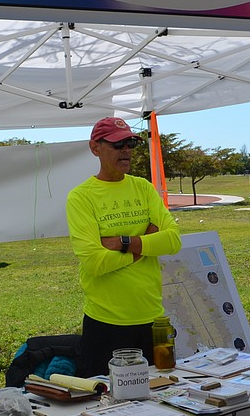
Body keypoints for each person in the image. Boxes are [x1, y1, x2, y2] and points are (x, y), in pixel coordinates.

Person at [66, 117, 181, 376]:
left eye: (130, 143)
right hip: (106, 324)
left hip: (152, 320)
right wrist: (144, 245)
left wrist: (123, 242)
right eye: (118, 145)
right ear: (95, 148)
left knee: (161, 398)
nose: (126, 150)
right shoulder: (81, 197)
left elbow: (173, 240)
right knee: (103, 403)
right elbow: (95, 262)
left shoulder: (143, 187)